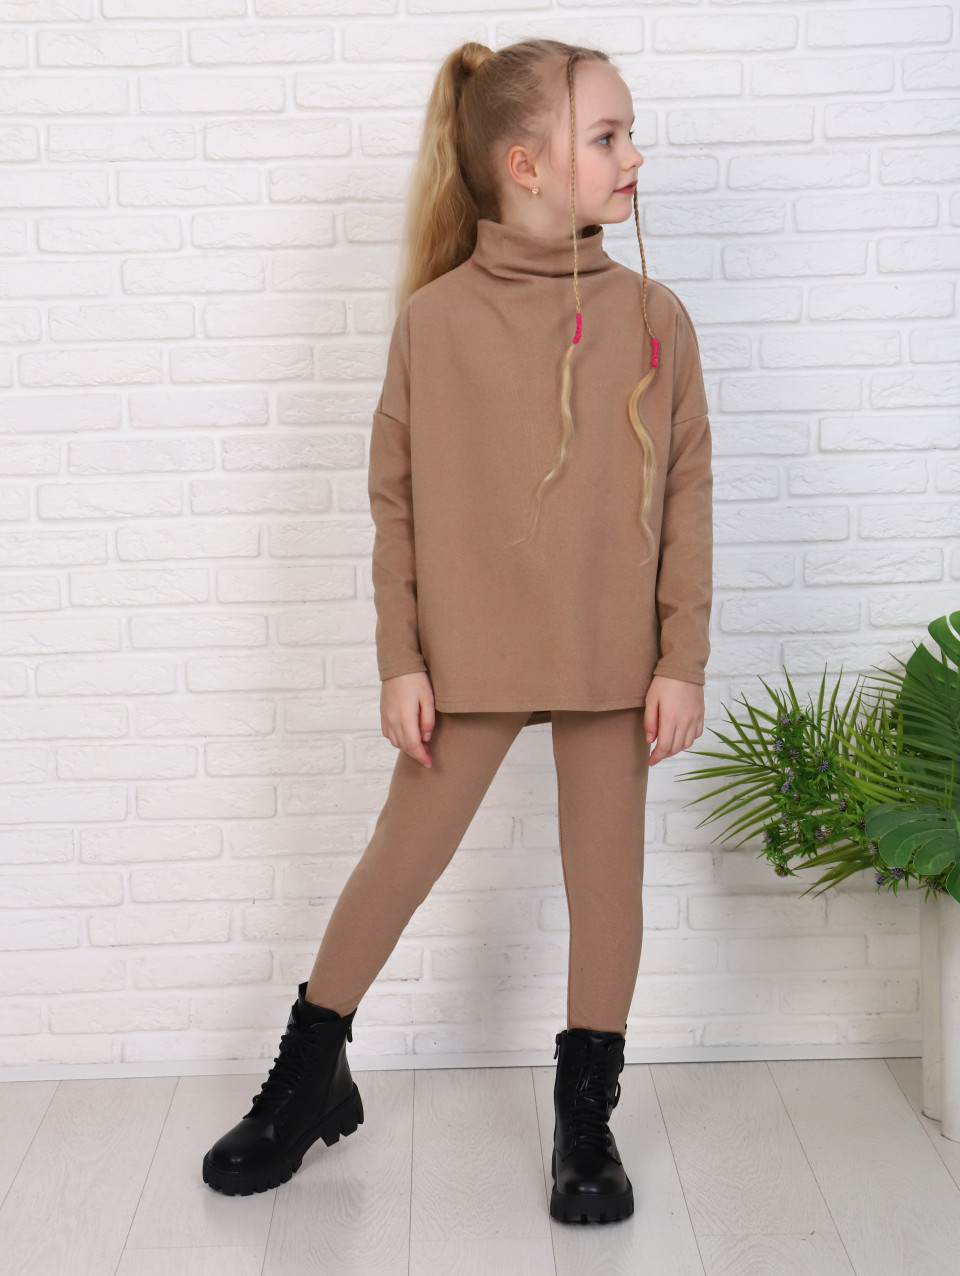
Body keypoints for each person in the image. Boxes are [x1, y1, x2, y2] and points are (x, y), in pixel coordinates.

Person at [202, 37, 713, 1226]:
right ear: (525, 164)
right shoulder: (432, 324)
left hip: (611, 653)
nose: (634, 156)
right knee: (400, 859)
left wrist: (680, 657)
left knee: (607, 885)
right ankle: (309, 1073)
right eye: (607, 137)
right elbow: (395, 501)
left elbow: (688, 492)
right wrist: (402, 658)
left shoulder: (656, 317)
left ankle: (584, 1116)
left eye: (630, 134)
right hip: (470, 653)